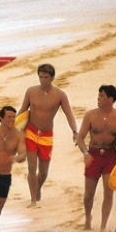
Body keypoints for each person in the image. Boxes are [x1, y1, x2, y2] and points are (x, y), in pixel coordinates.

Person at [18, 63, 78, 208]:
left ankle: (37, 188)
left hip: (46, 135)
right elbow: (22, 111)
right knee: (32, 168)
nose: (42, 80)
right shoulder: (31, 91)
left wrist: (75, 131)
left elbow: (69, 114)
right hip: (30, 132)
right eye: (40, 77)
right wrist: (12, 130)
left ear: (52, 78)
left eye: (45, 77)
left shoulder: (60, 95)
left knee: (43, 172)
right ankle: (33, 199)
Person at [75, 85, 116, 232]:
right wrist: (85, 153)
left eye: (101, 95)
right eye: (98, 95)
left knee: (108, 192)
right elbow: (80, 138)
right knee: (89, 194)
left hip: (110, 156)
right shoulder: (90, 115)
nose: (98, 98)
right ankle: (88, 217)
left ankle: (103, 225)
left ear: (110, 98)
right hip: (93, 155)